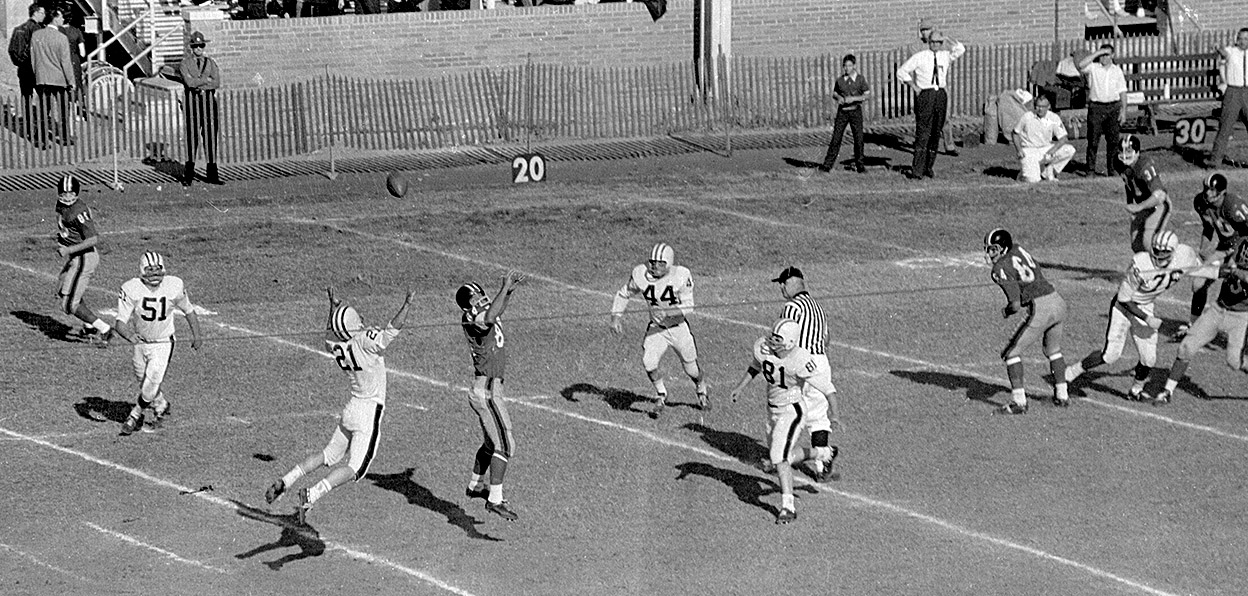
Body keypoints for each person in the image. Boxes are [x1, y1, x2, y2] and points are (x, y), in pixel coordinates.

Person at [265, 287, 415, 524]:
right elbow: (390, 332)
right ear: (354, 324)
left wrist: (333, 308)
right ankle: (312, 494)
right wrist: (406, 304)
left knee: (327, 455)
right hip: (368, 412)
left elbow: (328, 337)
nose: (363, 319)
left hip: (351, 408)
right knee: (355, 469)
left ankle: (287, 479)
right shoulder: (365, 341)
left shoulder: (339, 347)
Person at [727, 319, 842, 525]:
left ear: (790, 342)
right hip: (772, 410)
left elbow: (827, 387)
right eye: (772, 336)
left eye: (778, 339)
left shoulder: (800, 359)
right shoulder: (764, 348)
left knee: (779, 457)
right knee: (781, 456)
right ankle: (824, 453)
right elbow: (756, 366)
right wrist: (740, 387)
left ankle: (788, 507)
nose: (772, 341)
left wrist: (835, 414)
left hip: (792, 410)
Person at [1065, 231, 1201, 401]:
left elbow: (1204, 269)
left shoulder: (1185, 255)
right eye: (1156, 251)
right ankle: (1070, 374)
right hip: (1124, 307)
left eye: (1163, 252)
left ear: (1174, 252)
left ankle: (1136, 390)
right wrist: (1147, 319)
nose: (1158, 255)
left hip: (1146, 304)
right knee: (1110, 355)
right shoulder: (1141, 264)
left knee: (1149, 359)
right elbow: (1124, 299)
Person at [455, 271, 525, 521]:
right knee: (505, 446)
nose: (483, 297)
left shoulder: (482, 311)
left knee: (490, 444)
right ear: (470, 302)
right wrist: (503, 289)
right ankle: (495, 500)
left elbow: (497, 311)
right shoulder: (472, 316)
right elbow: (491, 315)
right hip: (488, 391)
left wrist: (507, 292)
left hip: (488, 388)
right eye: (478, 295)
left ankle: (476, 485)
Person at [610, 243, 710, 417]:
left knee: (691, 369)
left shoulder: (680, 275)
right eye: (652, 262)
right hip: (657, 329)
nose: (655, 266)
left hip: (678, 328)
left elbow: (689, 305)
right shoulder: (641, 275)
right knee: (649, 362)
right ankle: (661, 394)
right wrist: (616, 317)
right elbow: (624, 293)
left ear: (669, 264)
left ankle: (701, 389)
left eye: (660, 263)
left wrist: (675, 311)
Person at [110, 252, 204, 435]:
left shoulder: (173, 285)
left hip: (163, 343)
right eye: (150, 270)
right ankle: (161, 404)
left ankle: (134, 416)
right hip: (141, 342)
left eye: (157, 269)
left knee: (151, 383)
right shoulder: (132, 288)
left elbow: (189, 311)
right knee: (144, 381)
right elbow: (120, 323)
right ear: (141, 271)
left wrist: (197, 335)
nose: (154, 274)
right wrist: (129, 336)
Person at [1148, 238, 1248, 406]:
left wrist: (1234, 270)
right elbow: (1226, 262)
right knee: (1186, 347)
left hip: (1241, 316)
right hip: (1218, 308)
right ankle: (1167, 391)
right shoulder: (1243, 240)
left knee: (1234, 362)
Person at [983, 229, 1069, 413]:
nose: (990, 254)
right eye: (989, 249)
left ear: (1003, 248)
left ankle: (1018, 402)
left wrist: (1006, 311)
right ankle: (1062, 395)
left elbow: (1014, 305)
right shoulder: (1018, 249)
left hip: (1041, 308)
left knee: (1011, 353)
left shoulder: (999, 269)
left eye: (993, 249)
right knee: (1053, 350)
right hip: (1058, 301)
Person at [772, 266, 840, 482]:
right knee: (819, 418)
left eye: (783, 284)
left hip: (800, 363)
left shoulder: (791, 307)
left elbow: (783, 338)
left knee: (788, 408)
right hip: (821, 362)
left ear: (791, 283)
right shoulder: (818, 307)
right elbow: (827, 339)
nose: (781, 289)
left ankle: (781, 458)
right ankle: (821, 467)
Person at [896, 29, 966, 179]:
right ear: (929, 43)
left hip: (940, 94)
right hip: (925, 94)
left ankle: (929, 167)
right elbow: (902, 71)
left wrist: (947, 38)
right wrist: (914, 87)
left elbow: (960, 49)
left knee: (936, 132)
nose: (935, 45)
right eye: (933, 42)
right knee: (923, 133)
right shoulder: (920, 57)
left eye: (938, 42)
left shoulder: (945, 56)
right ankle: (917, 171)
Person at [53, 174, 113, 344]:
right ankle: (89, 326)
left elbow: (93, 239)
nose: (67, 197)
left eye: (71, 193)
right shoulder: (61, 205)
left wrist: (68, 249)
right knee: (62, 289)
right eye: (63, 193)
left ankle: (105, 329)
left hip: (84, 257)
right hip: (76, 257)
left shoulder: (79, 212)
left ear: (77, 193)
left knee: (68, 305)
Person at [1188, 173, 1248, 327]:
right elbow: (1208, 228)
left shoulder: (1233, 205)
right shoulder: (1201, 203)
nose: (1208, 193)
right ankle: (1193, 325)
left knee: (1235, 289)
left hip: (1242, 250)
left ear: (1222, 192)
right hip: (1224, 248)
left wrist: (1235, 255)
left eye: (1213, 190)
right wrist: (1203, 249)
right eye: (1207, 189)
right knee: (1198, 283)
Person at [179, 31, 223, 187]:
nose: (198, 48)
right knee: (192, 138)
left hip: (209, 103)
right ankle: (189, 174)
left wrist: (198, 81)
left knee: (211, 137)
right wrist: (205, 80)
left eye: (201, 45)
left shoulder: (210, 62)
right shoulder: (185, 64)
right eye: (195, 46)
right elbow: (188, 83)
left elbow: (216, 82)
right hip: (193, 104)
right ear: (191, 47)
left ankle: (212, 174)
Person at [1077, 44, 1128, 177]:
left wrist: (1123, 111)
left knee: (1113, 142)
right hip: (1096, 107)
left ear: (1112, 56)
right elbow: (1080, 65)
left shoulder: (1117, 71)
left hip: (1113, 107)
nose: (1104, 58)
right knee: (1093, 141)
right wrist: (1097, 53)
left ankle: (1112, 169)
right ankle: (1090, 170)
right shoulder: (1093, 68)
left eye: (1107, 55)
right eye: (1102, 55)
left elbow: (1122, 91)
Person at [1119, 134, 1172, 254]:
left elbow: (1159, 194)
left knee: (1149, 242)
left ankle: (1165, 267)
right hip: (1143, 205)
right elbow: (1129, 186)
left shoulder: (1144, 165)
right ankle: (1145, 270)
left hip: (1158, 205)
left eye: (1128, 150)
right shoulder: (1122, 166)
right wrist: (1131, 205)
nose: (1124, 154)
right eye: (1122, 150)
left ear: (1137, 152)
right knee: (1136, 244)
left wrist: (1139, 207)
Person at [818, 54, 871, 174]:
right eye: (845, 66)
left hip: (855, 110)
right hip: (843, 112)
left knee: (858, 138)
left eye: (849, 65)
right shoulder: (840, 80)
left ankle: (860, 165)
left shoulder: (860, 79)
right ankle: (827, 165)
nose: (847, 68)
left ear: (854, 66)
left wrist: (854, 99)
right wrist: (839, 97)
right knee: (836, 138)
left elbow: (867, 95)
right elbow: (834, 93)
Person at [30, 7, 75, 146]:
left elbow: (33, 59)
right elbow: (65, 62)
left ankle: (41, 139)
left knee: (43, 110)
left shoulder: (36, 35)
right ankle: (65, 138)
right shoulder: (62, 38)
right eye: (61, 17)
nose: (63, 19)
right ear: (55, 18)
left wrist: (37, 73)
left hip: (42, 78)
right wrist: (71, 81)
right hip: (59, 79)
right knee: (63, 111)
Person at [1207, 27, 1248, 170]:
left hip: (1247, 92)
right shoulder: (1231, 52)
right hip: (1233, 92)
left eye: (1246, 39)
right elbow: (1224, 53)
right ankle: (1215, 161)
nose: (1243, 41)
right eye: (1240, 38)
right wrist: (1218, 48)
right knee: (1225, 127)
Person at [1011, 95, 1076, 182]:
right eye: (1038, 106)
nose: (1040, 109)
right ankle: (1023, 174)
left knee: (1069, 150)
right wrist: (1019, 150)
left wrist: (1053, 150)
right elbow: (1015, 133)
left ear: (1048, 106)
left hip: (1046, 149)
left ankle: (1046, 172)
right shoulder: (1027, 116)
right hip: (1029, 150)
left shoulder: (1054, 118)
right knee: (1033, 180)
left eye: (1043, 107)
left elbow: (1063, 138)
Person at [7, 3, 46, 137]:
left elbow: (11, 50)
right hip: (36, 70)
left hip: (23, 70)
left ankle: (29, 129)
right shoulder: (37, 29)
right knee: (43, 100)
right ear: (35, 13)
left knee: (27, 99)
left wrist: (20, 62)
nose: (44, 16)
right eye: (42, 13)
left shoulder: (18, 29)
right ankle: (40, 130)